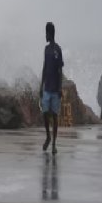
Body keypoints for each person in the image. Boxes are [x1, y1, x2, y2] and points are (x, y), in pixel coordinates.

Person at [40, 22, 64, 154]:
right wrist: (40, 86)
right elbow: (44, 68)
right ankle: (48, 136)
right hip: (46, 87)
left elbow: (60, 70)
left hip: (55, 89)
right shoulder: (46, 49)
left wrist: (60, 88)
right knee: (45, 113)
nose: (45, 35)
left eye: (46, 33)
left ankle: (54, 143)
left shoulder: (57, 50)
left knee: (54, 116)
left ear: (50, 34)